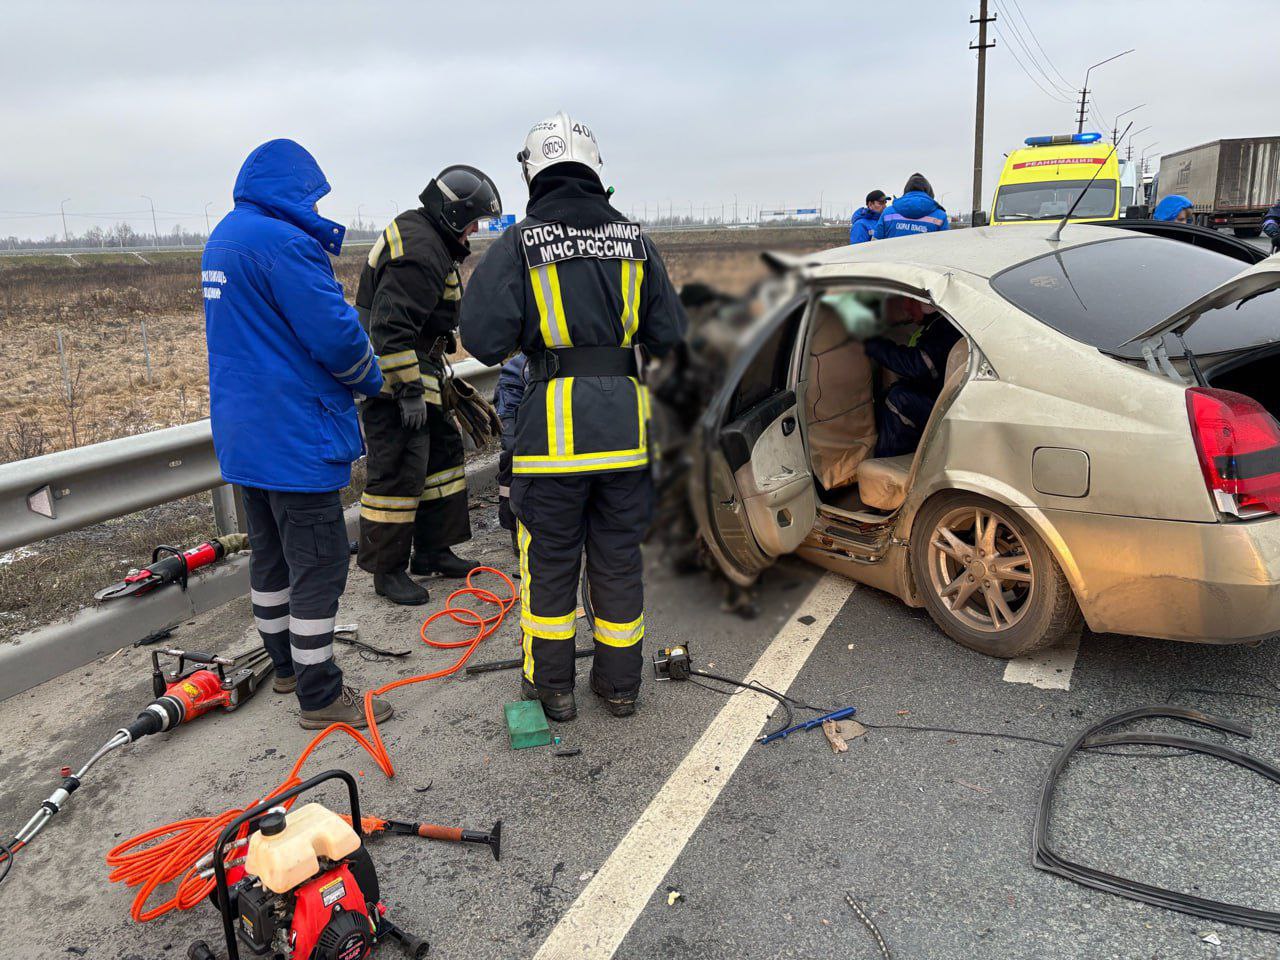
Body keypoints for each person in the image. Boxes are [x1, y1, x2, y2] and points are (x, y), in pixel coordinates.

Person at [460, 111, 686, 721]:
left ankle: (552, 689)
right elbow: (672, 336)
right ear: (593, 169)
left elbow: (482, 338)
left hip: (551, 445)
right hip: (626, 438)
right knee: (618, 562)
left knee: (550, 565)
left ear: (533, 173)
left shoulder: (520, 243)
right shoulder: (636, 242)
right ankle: (620, 687)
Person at [202, 139, 392, 730]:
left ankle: (285, 668)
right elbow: (336, 335)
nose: (315, 205)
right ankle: (320, 695)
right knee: (319, 566)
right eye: (310, 194)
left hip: (245, 437)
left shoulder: (224, 238)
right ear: (291, 189)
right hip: (294, 437)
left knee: (272, 560)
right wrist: (373, 380)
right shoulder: (285, 244)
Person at [354, 167, 502, 605]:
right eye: (473, 221)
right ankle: (387, 570)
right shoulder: (421, 250)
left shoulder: (428, 237)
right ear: (454, 214)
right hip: (396, 380)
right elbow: (390, 327)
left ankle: (434, 550)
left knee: (442, 456)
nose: (474, 230)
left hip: (422, 369)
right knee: (400, 468)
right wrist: (408, 391)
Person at [864, 297, 961, 458]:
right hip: (943, 402)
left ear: (926, 304)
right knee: (891, 394)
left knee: (900, 399)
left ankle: (885, 463)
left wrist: (872, 344)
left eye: (911, 301)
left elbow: (917, 365)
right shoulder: (935, 326)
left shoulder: (947, 328)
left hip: (948, 410)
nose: (906, 308)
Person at [494, 353, 527, 555]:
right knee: (511, 460)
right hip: (531, 443)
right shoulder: (517, 370)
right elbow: (509, 438)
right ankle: (514, 525)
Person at [873, 174, 949, 239]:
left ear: (906, 190)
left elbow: (875, 244)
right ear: (929, 191)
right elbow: (945, 245)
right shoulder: (940, 216)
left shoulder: (887, 213)